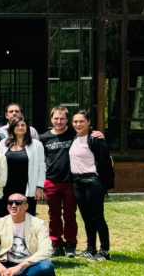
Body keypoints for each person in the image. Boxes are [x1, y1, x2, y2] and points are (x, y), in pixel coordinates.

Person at [40, 105, 100, 258]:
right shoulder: (44, 138)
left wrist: (97, 133)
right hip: (51, 181)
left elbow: (87, 133)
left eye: (62, 118)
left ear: (67, 120)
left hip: (71, 182)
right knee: (53, 215)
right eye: (56, 118)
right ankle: (56, 244)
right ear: (51, 119)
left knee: (69, 215)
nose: (59, 121)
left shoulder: (74, 134)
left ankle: (71, 245)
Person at [70, 110, 114, 261]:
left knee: (97, 217)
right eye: (75, 121)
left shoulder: (95, 139)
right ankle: (90, 248)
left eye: (81, 121)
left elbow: (106, 162)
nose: (78, 124)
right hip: (77, 182)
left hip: (93, 182)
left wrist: (104, 184)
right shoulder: (73, 138)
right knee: (86, 217)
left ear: (88, 122)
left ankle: (105, 250)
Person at [0, 194, 56, 276]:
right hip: (5, 265)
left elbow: (46, 250)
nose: (13, 205)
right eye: (10, 203)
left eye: (18, 203)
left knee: (46, 266)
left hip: (27, 266)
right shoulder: (1, 222)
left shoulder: (38, 223)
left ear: (26, 206)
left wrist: (21, 267)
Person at [0, 117, 46, 216]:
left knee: (27, 215)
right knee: (6, 215)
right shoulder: (3, 144)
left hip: (27, 186)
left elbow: (42, 166)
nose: (20, 127)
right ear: (12, 128)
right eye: (17, 125)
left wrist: (40, 187)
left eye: (23, 125)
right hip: (6, 186)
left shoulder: (36, 145)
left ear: (27, 127)